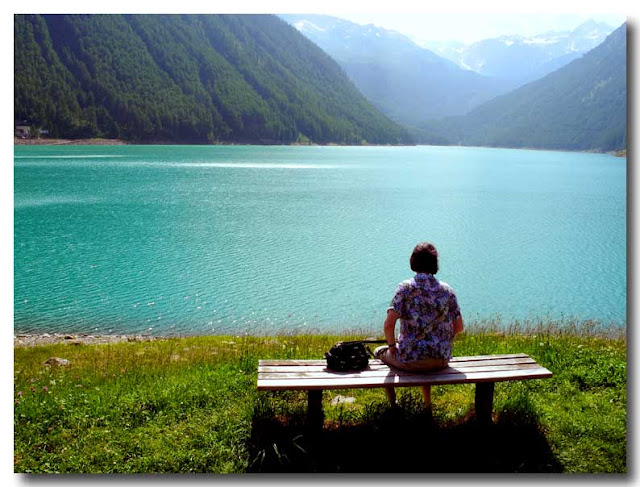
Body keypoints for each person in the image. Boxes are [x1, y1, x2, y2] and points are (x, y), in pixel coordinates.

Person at [374, 241, 464, 406]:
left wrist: (392, 347)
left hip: (411, 361)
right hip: (441, 360)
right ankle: (427, 404)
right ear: (435, 263)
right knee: (423, 357)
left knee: (379, 352)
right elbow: (459, 327)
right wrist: (442, 341)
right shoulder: (447, 290)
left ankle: (393, 404)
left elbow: (388, 325)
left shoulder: (405, 289)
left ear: (413, 261)